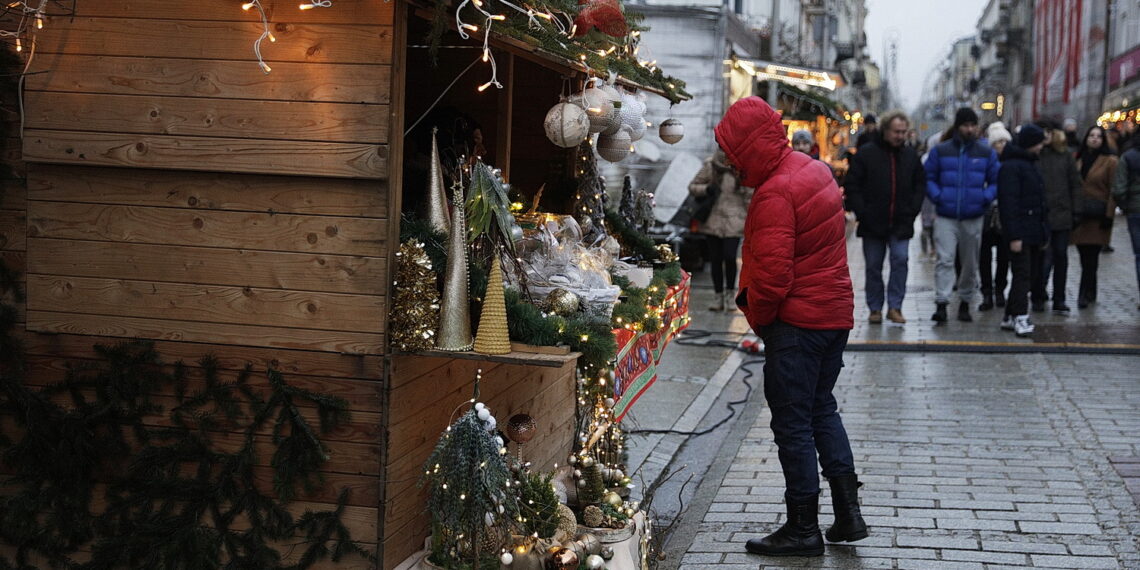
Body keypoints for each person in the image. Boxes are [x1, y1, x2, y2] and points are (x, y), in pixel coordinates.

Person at [715, 96, 865, 557]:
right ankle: (847, 513)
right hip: (832, 316)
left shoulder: (777, 191)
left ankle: (803, 527)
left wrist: (759, 316)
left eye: (736, 154)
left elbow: (774, 275)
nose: (735, 165)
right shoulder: (813, 168)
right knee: (822, 409)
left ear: (750, 147)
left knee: (793, 424)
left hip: (798, 323)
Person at [844, 110, 926, 324]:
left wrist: (912, 210)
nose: (900, 136)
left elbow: (919, 185)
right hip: (873, 222)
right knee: (873, 266)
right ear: (886, 130)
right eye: (896, 131)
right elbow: (853, 184)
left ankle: (895, 306)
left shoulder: (910, 156)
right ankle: (875, 308)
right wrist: (862, 211)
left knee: (900, 261)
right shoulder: (867, 153)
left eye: (903, 132)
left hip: (901, 221)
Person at [924, 107, 1001, 323]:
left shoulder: (985, 152)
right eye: (965, 125)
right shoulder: (942, 151)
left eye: (972, 125)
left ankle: (965, 301)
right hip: (947, 214)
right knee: (945, 259)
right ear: (958, 127)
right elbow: (929, 177)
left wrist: (985, 197)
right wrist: (938, 196)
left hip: (974, 214)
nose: (969, 129)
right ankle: (942, 302)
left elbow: (996, 180)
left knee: (969, 262)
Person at [997, 124, 1050, 337]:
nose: (1041, 148)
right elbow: (1009, 205)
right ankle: (1020, 316)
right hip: (1021, 231)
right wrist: (1015, 235)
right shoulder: (1012, 167)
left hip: (1033, 230)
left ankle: (1010, 316)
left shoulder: (1029, 164)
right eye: (1038, 143)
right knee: (1023, 275)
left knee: (1029, 273)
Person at [688, 149, 754, 311]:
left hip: (734, 220)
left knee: (730, 257)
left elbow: (751, 195)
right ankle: (718, 297)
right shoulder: (711, 165)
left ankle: (730, 295)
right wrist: (706, 190)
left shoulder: (742, 167)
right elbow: (693, 186)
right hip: (713, 219)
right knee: (716, 259)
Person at [1034, 121, 1082, 313]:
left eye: (1048, 132)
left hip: (1062, 214)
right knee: (1041, 258)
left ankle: (1059, 298)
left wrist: (1077, 210)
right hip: (1040, 216)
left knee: (1061, 257)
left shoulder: (1065, 156)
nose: (1046, 135)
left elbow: (1076, 184)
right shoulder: (1036, 155)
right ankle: (1038, 294)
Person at [1072, 126, 1119, 308]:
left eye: (1099, 136)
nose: (1095, 139)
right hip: (1080, 215)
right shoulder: (1078, 159)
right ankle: (1091, 290)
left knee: (1091, 258)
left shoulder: (1110, 161)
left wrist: (1109, 215)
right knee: (1084, 256)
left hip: (1098, 217)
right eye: (1091, 135)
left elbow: (1113, 190)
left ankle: (1084, 293)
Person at [979, 125, 1012, 310]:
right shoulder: (984, 161)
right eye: (998, 142)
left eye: (1005, 141)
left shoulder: (1011, 162)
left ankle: (1000, 290)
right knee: (983, 256)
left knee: (1003, 256)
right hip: (985, 212)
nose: (1002, 145)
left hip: (1005, 214)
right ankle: (986, 292)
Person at [1111, 136, 1140, 310]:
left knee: (1139, 255)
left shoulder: (1129, 157)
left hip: (1135, 210)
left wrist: (1124, 206)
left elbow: (1119, 187)